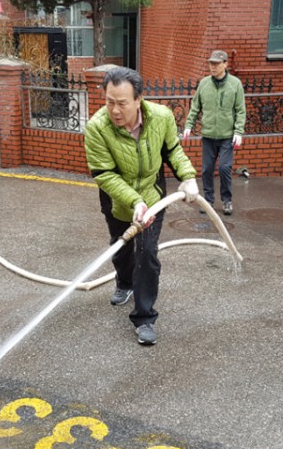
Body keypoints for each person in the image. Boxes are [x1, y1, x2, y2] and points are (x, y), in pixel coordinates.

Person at [84, 66, 198, 346]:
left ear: (138, 100)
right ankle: (124, 283)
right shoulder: (97, 128)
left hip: (152, 197)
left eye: (122, 103)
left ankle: (144, 317)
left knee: (146, 253)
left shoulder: (161, 117)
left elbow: (172, 150)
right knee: (121, 246)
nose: (115, 110)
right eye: (109, 101)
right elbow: (104, 174)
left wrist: (188, 177)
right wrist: (134, 201)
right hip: (117, 200)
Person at [183, 50, 246, 216]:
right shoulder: (204, 84)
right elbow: (195, 106)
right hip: (208, 135)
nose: (213, 67)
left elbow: (240, 110)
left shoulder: (235, 84)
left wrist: (238, 132)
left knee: (224, 168)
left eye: (217, 64)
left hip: (227, 136)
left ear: (225, 64)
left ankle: (227, 200)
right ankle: (208, 201)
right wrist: (189, 125)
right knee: (207, 169)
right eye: (211, 63)